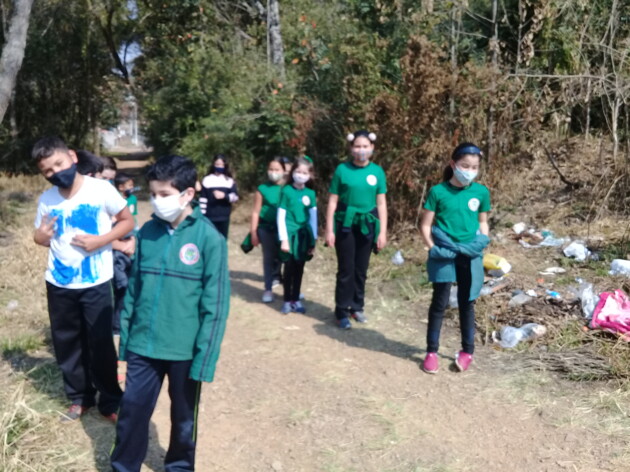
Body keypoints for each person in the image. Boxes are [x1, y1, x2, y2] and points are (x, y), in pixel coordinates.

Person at [111, 155, 231, 472]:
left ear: (188, 194)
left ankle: (178, 466)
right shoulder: (147, 232)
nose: (157, 201)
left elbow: (215, 306)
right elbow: (133, 291)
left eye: (164, 194)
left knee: (183, 417)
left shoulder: (209, 239)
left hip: (184, 351)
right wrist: (125, 344)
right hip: (142, 346)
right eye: (153, 194)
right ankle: (124, 466)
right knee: (132, 410)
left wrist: (205, 357)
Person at [32, 136, 133, 422]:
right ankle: (79, 398)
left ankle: (110, 401)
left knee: (101, 343)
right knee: (67, 344)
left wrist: (101, 240)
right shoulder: (46, 199)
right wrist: (39, 237)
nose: (55, 173)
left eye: (59, 164)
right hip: (59, 282)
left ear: (73, 157)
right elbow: (40, 236)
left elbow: (128, 221)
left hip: (96, 282)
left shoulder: (101, 189)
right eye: (47, 171)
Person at [419, 142, 491, 374]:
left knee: (466, 303)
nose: (469, 170)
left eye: (474, 167)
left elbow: (482, 222)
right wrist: (432, 248)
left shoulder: (481, 192)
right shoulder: (437, 192)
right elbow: (425, 225)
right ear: (453, 164)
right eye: (464, 166)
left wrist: (481, 241)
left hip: (469, 254)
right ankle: (431, 352)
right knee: (439, 303)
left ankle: (467, 351)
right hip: (445, 253)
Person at [325, 130, 388, 329]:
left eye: (365, 146)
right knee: (346, 269)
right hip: (345, 223)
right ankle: (341, 310)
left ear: (372, 148)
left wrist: (382, 231)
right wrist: (329, 230)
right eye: (358, 146)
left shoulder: (377, 172)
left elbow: (381, 203)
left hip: (368, 224)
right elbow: (332, 201)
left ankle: (356, 307)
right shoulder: (342, 170)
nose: (361, 150)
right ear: (352, 148)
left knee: (361, 269)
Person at [277, 156, 317, 314]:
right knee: (289, 268)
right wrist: (284, 239)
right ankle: (287, 300)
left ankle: (296, 299)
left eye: (304, 172)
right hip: (289, 235)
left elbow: (313, 218)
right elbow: (280, 217)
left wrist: (313, 241)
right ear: (292, 172)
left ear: (310, 175)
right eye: (298, 171)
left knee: (300, 268)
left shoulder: (311, 194)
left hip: (303, 237)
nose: (301, 175)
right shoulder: (286, 191)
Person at [249, 157, 286, 303]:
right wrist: (253, 232)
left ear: (284, 171)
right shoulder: (262, 189)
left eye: (277, 170)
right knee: (268, 258)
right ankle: (268, 289)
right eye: (271, 169)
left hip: (284, 230)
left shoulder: (288, 188)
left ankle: (290, 291)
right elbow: (255, 212)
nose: (273, 172)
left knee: (286, 259)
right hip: (266, 228)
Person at [199, 153, 239, 238]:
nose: (219, 166)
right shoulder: (207, 180)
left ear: (225, 165)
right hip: (209, 217)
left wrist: (225, 196)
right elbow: (202, 199)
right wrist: (202, 215)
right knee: (210, 240)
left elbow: (235, 197)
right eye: (217, 164)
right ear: (213, 165)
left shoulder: (229, 181)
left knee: (222, 240)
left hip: (224, 217)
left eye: (221, 164)